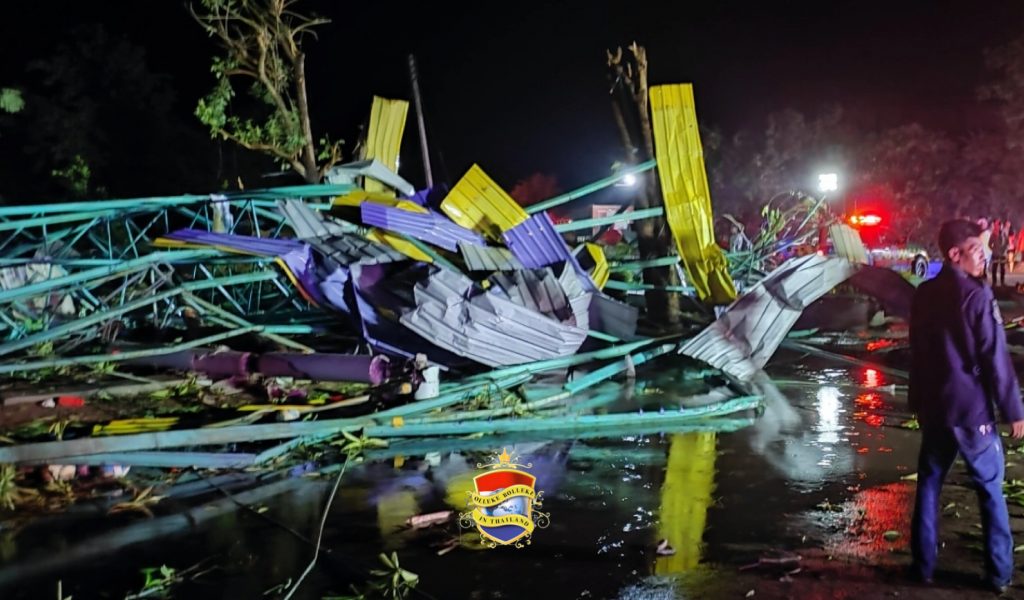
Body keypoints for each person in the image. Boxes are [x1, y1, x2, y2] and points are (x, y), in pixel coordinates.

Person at [909, 219, 1024, 593]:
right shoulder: (977, 296)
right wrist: (1014, 409)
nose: (984, 256)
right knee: (990, 488)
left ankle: (922, 567)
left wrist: (918, 403)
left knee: (929, 484)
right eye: (977, 249)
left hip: (935, 408)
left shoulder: (924, 294)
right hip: (972, 411)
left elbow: (918, 355)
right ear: (955, 254)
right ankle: (999, 574)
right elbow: (995, 357)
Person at [991, 220, 1010, 287]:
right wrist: (993, 249)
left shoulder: (1004, 233)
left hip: (1002, 254)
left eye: (1001, 225)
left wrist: (1005, 249)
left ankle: (1002, 282)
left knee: (1002, 268)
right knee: (994, 268)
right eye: (998, 225)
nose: (1000, 227)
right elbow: (989, 244)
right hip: (996, 254)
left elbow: (1007, 243)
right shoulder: (993, 234)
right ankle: (994, 282)